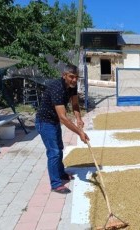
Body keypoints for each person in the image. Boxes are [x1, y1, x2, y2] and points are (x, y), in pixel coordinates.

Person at [35, 64, 89, 194]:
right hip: (45, 122)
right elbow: (63, 118)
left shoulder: (72, 86)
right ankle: (56, 184)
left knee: (59, 148)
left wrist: (79, 118)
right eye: (71, 77)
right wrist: (80, 132)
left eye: (76, 77)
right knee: (54, 152)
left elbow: (75, 104)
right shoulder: (57, 88)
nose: (74, 80)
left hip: (53, 121)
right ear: (64, 75)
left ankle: (61, 174)